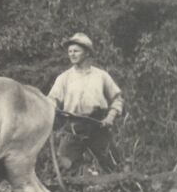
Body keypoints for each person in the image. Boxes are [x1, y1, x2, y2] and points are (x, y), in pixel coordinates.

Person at [48, 32, 125, 173]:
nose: (72, 54)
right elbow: (52, 100)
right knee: (63, 168)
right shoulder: (64, 78)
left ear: (87, 53)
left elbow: (117, 98)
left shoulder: (101, 76)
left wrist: (110, 117)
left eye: (76, 51)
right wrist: (50, 109)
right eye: (70, 51)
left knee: (114, 167)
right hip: (73, 128)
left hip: (98, 127)